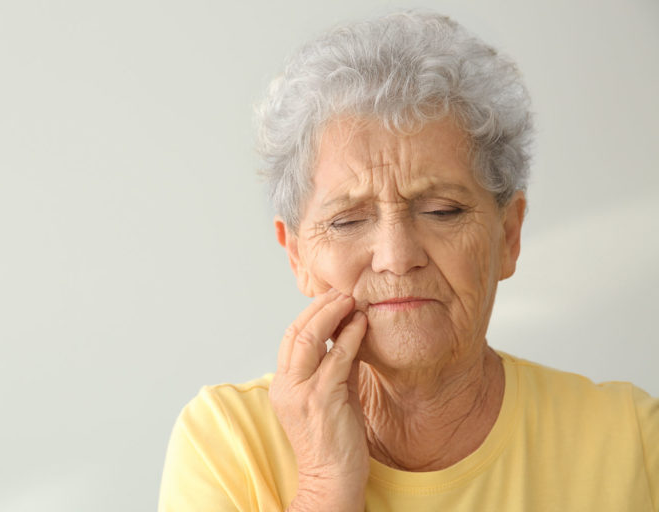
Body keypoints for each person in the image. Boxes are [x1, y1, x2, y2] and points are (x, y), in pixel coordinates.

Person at [158, 10, 659, 511]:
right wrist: (322, 483)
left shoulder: (632, 438)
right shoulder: (226, 442)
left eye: (442, 211)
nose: (397, 258)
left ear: (509, 234)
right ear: (297, 254)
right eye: (348, 221)